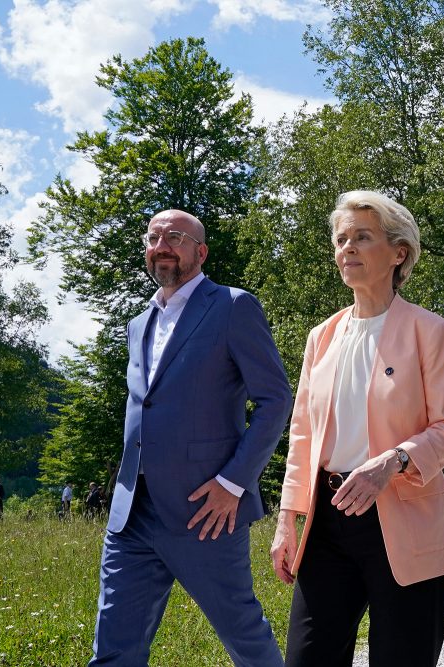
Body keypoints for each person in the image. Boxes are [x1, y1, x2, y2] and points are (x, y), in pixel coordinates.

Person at [271, 190, 444, 667]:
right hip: (329, 522)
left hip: (405, 518)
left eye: (362, 237)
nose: (348, 249)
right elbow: (302, 434)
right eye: (341, 240)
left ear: (399, 253)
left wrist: (393, 460)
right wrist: (287, 519)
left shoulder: (431, 330)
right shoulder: (322, 336)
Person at [89, 209, 292, 667]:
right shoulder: (138, 324)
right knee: (114, 648)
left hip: (206, 512)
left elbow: (276, 400)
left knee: (245, 638)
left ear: (199, 252)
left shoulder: (233, 306)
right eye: (154, 237)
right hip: (132, 516)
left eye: (175, 237)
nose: (162, 245)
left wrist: (233, 483)